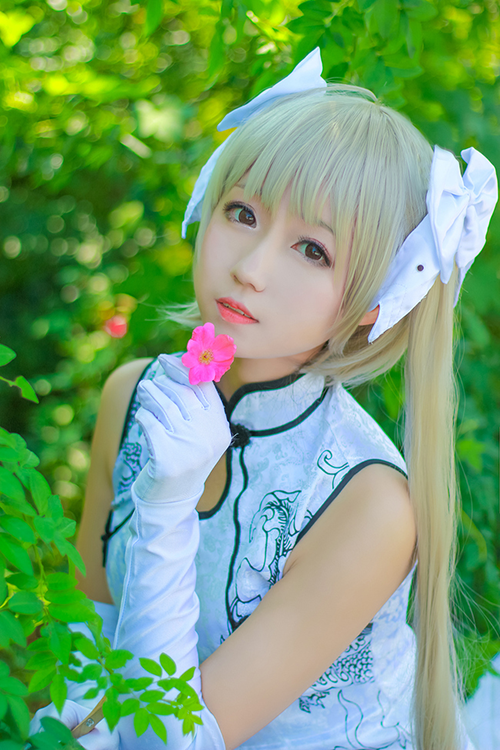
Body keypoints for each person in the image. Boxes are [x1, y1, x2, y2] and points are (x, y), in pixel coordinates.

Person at [31, 49, 498, 750]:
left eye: (313, 250)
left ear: (376, 300)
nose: (250, 268)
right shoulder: (132, 397)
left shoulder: (368, 503)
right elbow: (83, 644)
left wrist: (164, 505)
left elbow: (174, 743)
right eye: (242, 212)